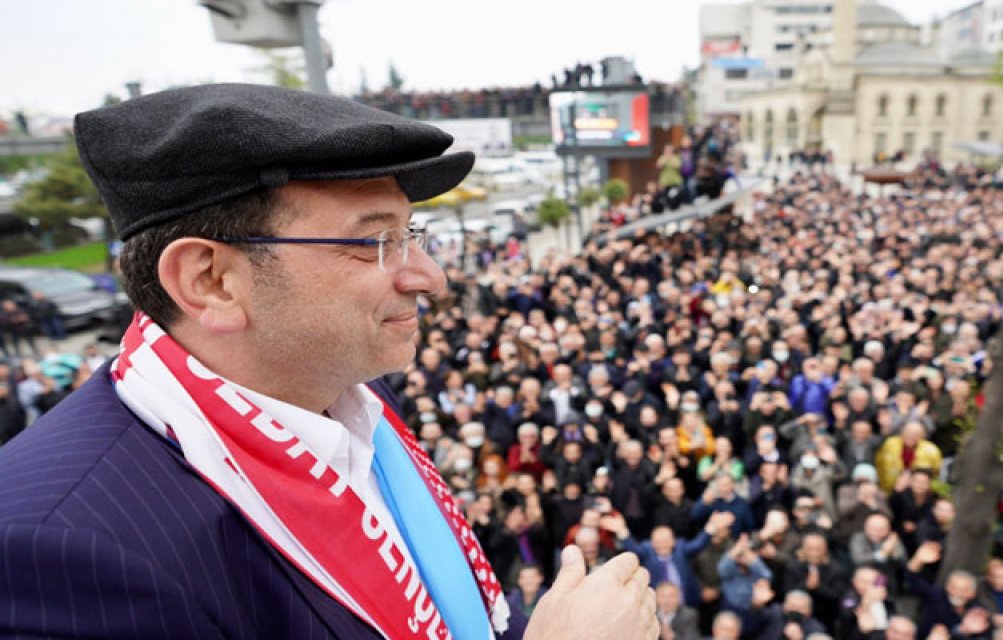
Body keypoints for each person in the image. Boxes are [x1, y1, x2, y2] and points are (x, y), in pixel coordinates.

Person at [0, 84, 657, 640]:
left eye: (412, 237)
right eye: (375, 243)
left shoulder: (355, 394)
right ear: (211, 280)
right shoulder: (59, 551)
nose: (430, 278)